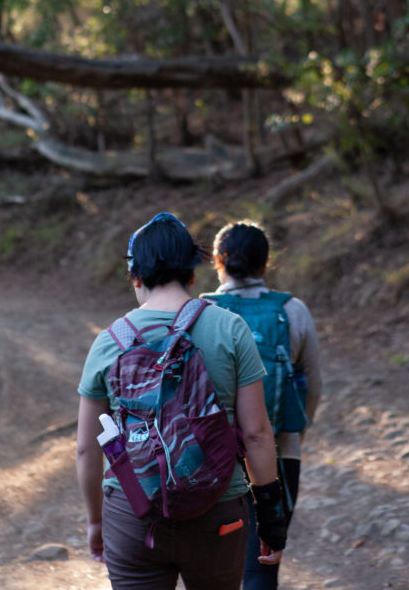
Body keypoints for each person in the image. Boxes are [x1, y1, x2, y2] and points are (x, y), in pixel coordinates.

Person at [76, 211, 287, 590]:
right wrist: (271, 520)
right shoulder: (229, 328)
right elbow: (256, 434)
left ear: (135, 276)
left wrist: (96, 522)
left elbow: (85, 449)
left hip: (132, 514)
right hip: (219, 512)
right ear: (192, 272)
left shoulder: (108, 341)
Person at [207, 220, 323, 590]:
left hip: (211, 458)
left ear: (218, 261)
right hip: (278, 453)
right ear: (266, 263)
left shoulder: (200, 311)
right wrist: (294, 435)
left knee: (212, 567)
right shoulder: (293, 311)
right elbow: (313, 386)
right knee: (262, 564)